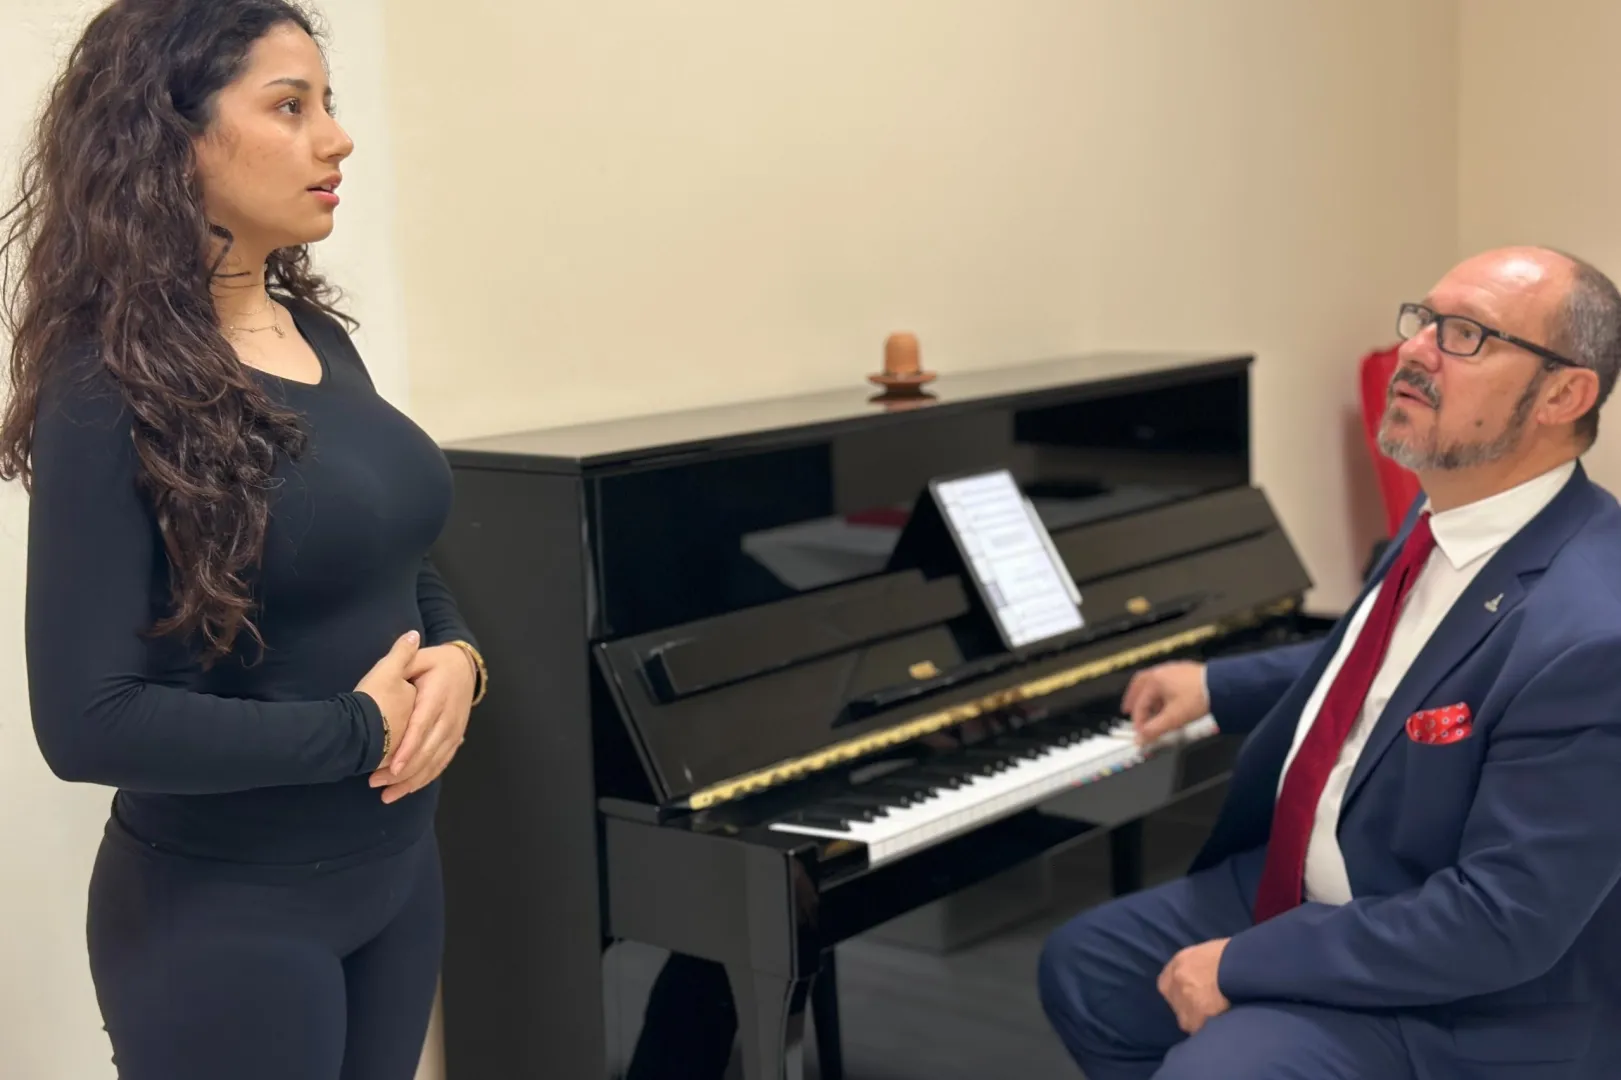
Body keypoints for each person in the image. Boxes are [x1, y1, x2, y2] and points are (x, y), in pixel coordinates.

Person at [0, 3, 486, 1078]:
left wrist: (457, 652)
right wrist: (359, 730)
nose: (337, 138)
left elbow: (389, 552)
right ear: (171, 137)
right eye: (289, 106)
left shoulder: (317, 336)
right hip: (227, 919)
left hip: (397, 878)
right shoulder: (104, 385)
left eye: (329, 103)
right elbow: (86, 724)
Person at [1038, 245, 1621, 1080]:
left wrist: (1243, 966)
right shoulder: (1445, 511)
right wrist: (1217, 684)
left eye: (1465, 335)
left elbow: (1502, 920)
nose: (1415, 349)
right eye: (1423, 320)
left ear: (1564, 396)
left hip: (1468, 987)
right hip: (1325, 878)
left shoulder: (1595, 635)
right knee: (1086, 969)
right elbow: (1393, 664)